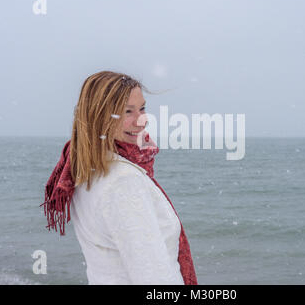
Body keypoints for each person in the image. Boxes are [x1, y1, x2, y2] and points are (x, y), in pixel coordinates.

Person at [41, 71, 198, 285]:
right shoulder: (123, 181)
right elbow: (153, 276)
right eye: (127, 112)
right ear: (100, 116)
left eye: (142, 108)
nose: (141, 121)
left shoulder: (83, 168)